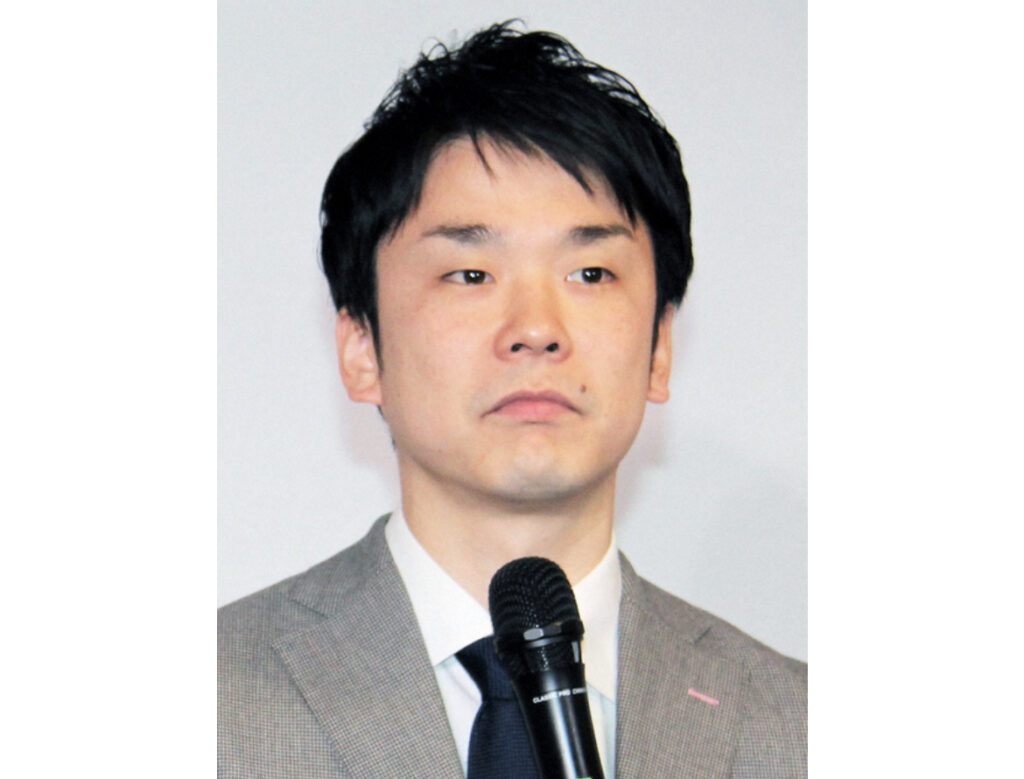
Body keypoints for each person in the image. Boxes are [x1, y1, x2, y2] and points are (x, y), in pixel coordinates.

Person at [218, 21, 806, 778]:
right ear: (362, 347)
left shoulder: (801, 729)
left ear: (659, 348)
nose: (535, 329)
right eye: (470, 275)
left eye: (590, 274)